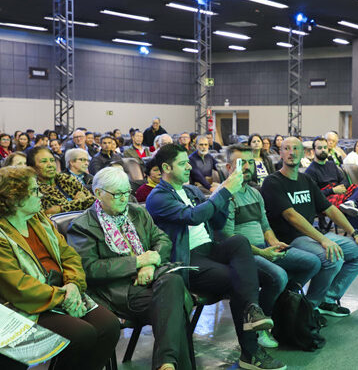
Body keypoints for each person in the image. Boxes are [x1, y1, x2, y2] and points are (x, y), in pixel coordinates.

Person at [146, 144, 286, 370]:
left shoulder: (191, 191)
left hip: (209, 248)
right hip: (187, 259)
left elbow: (215, 221)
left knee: (240, 242)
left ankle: (252, 310)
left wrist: (225, 201)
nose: (188, 167)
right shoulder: (157, 197)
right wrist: (224, 191)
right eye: (182, 163)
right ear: (165, 167)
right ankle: (251, 352)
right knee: (238, 279)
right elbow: (193, 216)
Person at [68, 167, 194, 370]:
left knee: (172, 287)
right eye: (117, 194)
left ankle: (167, 364)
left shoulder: (136, 212)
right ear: (98, 193)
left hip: (152, 282)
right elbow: (89, 269)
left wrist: (150, 264)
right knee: (174, 304)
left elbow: (161, 239)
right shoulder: (83, 226)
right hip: (118, 291)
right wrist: (137, 262)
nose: (124, 199)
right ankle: (167, 363)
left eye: (127, 192)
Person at [0, 166, 120, 370]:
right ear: (15, 198)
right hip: (26, 305)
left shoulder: (39, 220)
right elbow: (18, 286)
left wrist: (73, 284)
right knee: (82, 334)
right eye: (35, 190)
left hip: (62, 291)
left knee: (109, 325)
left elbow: (69, 255)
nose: (42, 194)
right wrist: (64, 297)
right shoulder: (3, 234)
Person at [220, 144, 321, 348]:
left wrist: (274, 243)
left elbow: (265, 226)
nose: (247, 167)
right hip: (243, 255)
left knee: (312, 262)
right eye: (241, 163)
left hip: (264, 248)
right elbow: (229, 238)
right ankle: (262, 326)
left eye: (250, 162)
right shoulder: (225, 196)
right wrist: (263, 252)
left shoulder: (255, 194)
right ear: (229, 168)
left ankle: (283, 305)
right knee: (279, 276)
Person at [261, 137, 358, 317]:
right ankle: (310, 307)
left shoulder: (305, 179)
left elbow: (330, 209)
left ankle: (328, 299)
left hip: (311, 235)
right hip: (291, 239)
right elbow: (291, 216)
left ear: (304, 153)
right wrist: (323, 240)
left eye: (295, 149)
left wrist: (355, 233)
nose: (292, 153)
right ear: (280, 153)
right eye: (287, 149)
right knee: (332, 257)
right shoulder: (273, 182)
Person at [305, 137, 358, 231]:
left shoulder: (331, 164)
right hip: (327, 199)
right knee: (355, 206)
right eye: (319, 148)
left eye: (325, 147)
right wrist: (333, 190)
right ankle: (356, 234)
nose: (323, 150)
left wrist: (341, 188)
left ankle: (350, 202)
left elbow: (344, 181)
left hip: (341, 194)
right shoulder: (310, 171)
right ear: (313, 151)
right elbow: (315, 195)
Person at [27, 146, 95, 215]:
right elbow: (43, 215)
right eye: (44, 161)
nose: (50, 165)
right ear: (32, 167)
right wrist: (79, 202)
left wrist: (60, 208)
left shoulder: (67, 179)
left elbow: (92, 201)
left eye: (52, 160)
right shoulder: (33, 190)